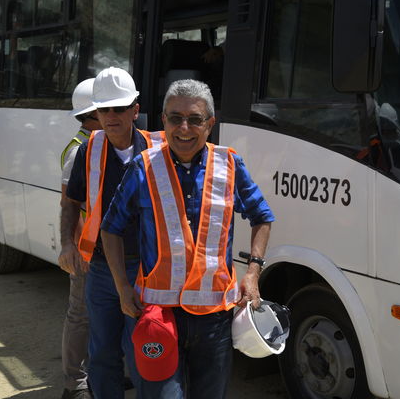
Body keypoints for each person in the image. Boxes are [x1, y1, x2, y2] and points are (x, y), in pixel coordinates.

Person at [100, 79, 275, 399]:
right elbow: (110, 227)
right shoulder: (144, 167)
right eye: (174, 118)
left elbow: (262, 216)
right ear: (162, 121)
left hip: (215, 322)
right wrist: (122, 287)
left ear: (210, 123)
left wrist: (253, 273)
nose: (184, 127)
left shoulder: (230, 163)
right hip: (157, 316)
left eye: (194, 119)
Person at [59, 67, 165, 399]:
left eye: (119, 108)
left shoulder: (160, 150)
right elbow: (70, 203)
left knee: (146, 352)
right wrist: (66, 244)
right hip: (101, 270)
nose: (111, 116)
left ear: (135, 109)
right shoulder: (87, 151)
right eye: (104, 109)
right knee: (103, 352)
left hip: (148, 271)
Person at [58, 78, 99, 399]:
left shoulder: (99, 145)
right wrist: (70, 247)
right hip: (86, 249)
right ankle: (75, 384)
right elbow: (68, 204)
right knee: (80, 314)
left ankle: (98, 373)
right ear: (93, 113)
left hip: (102, 247)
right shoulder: (79, 151)